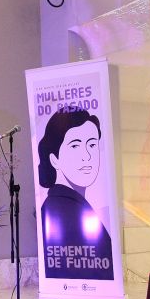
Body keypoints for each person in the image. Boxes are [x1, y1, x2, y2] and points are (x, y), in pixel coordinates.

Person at [37, 108, 114, 281]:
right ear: (54, 159)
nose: (87, 156)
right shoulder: (64, 210)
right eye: (75, 145)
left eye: (92, 145)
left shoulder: (70, 205)